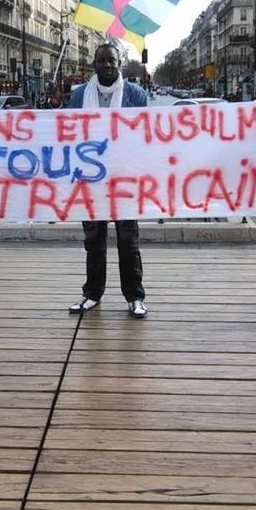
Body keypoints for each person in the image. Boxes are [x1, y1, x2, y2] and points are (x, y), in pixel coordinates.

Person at [66, 43, 148, 318]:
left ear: (119, 63)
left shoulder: (136, 95)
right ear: (94, 63)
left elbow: (145, 137)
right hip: (91, 180)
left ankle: (135, 297)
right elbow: (68, 133)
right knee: (94, 240)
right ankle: (92, 294)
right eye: (102, 60)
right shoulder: (78, 96)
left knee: (129, 240)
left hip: (124, 178)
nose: (107, 65)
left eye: (111, 60)